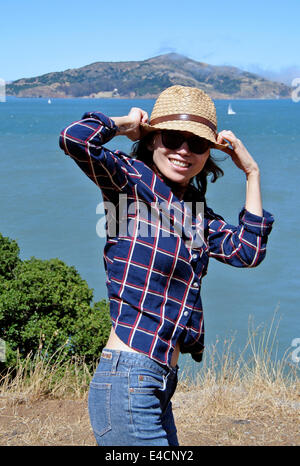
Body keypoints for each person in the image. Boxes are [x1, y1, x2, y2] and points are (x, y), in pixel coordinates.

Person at [59, 85, 274, 446]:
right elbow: (75, 139)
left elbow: (247, 251)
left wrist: (251, 173)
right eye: (173, 138)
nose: (184, 151)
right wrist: (128, 123)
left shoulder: (197, 216)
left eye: (197, 144)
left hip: (161, 380)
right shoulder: (127, 182)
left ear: (209, 153)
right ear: (152, 140)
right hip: (128, 376)